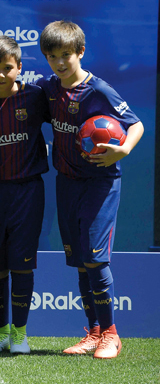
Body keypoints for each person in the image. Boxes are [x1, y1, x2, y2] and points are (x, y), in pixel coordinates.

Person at [37, 21, 143, 359]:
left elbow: (136, 124)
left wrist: (123, 149)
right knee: (82, 262)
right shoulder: (48, 88)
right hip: (67, 183)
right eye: (52, 56)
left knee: (96, 259)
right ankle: (93, 333)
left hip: (100, 184)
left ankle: (111, 334)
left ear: (80, 52)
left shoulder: (99, 90)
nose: (59, 62)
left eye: (66, 55)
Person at [0, 36, 50, 354]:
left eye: (7, 68)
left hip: (27, 192)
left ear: (19, 67)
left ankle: (20, 333)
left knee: (22, 265)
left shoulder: (35, 96)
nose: (1, 74)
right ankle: (0, 332)